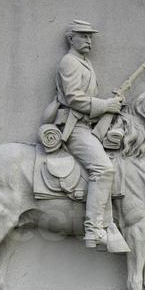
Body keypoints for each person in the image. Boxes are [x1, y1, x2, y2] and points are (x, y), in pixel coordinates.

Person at [49, 19, 129, 253]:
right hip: (74, 129)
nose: (88, 40)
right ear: (70, 38)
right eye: (83, 36)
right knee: (104, 169)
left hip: (87, 126)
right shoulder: (69, 62)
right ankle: (93, 228)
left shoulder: (84, 63)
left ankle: (109, 225)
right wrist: (105, 105)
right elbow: (74, 98)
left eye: (90, 36)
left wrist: (113, 106)